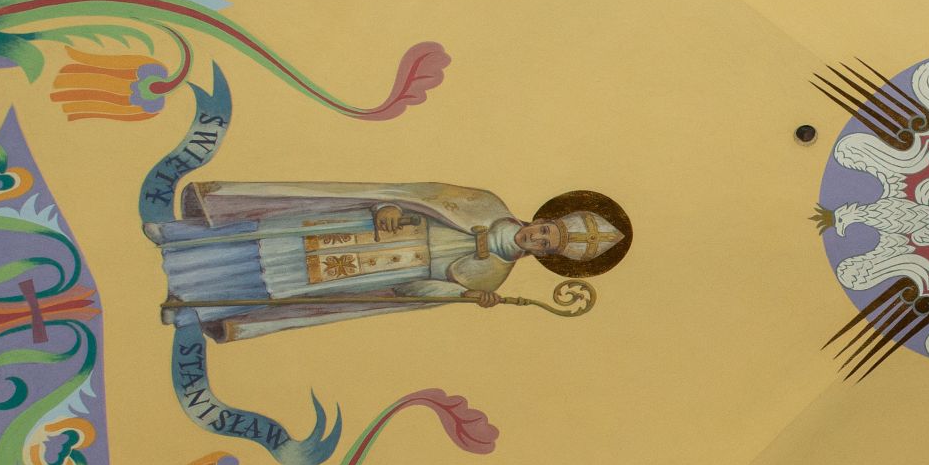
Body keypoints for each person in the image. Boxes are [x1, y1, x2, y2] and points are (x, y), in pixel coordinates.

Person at [151, 182, 628, 341]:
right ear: (543, 219)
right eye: (545, 230)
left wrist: (463, 294)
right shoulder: (486, 202)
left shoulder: (494, 275)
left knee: (279, 282)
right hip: (364, 229)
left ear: (544, 256)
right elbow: (416, 194)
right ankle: (177, 241)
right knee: (273, 241)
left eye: (545, 245)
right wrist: (388, 206)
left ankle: (193, 303)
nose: (536, 238)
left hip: (381, 271)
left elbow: (413, 292)